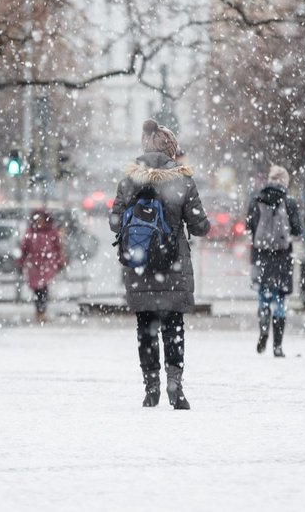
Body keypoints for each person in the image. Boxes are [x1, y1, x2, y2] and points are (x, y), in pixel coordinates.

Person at [110, 119, 210, 410]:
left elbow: (115, 222)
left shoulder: (130, 179)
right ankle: (175, 386)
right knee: (173, 326)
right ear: (172, 150)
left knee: (146, 326)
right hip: (173, 264)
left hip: (139, 265)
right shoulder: (182, 180)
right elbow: (199, 225)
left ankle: (150, 387)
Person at [246, 165, 303, 357]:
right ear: (285, 181)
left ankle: (263, 328)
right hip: (282, 256)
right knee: (279, 299)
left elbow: (249, 226)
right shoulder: (289, 201)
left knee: (263, 295)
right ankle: (277, 346)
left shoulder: (256, 199)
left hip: (261, 255)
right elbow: (297, 230)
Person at [17, 208, 66, 323]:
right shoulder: (30, 232)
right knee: (37, 290)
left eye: (41, 219)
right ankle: (40, 311)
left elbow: (57, 249)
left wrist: (60, 261)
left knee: (43, 289)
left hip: (47, 265)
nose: (39, 222)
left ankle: (41, 312)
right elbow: (24, 249)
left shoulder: (51, 232)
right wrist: (21, 262)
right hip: (34, 267)